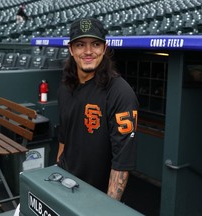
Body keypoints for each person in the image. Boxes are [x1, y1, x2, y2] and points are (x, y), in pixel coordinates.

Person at [56, 17, 139, 201]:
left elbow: (121, 162)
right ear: (71, 49)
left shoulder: (120, 92)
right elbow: (63, 136)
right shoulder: (65, 87)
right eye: (80, 45)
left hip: (96, 195)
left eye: (95, 44)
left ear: (104, 48)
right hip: (64, 184)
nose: (88, 51)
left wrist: (106, 207)